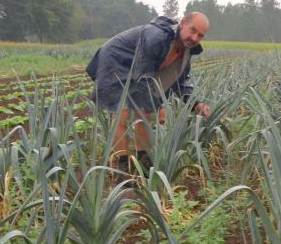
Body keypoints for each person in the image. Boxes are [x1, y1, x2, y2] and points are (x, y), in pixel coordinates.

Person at [86, 12, 212, 173]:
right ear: (182, 23)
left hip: (139, 69)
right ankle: (122, 166)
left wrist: (196, 103)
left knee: (144, 112)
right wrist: (159, 106)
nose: (194, 38)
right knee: (121, 113)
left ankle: (144, 165)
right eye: (192, 30)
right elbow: (142, 77)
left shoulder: (187, 49)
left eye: (200, 35)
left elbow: (180, 80)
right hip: (116, 60)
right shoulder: (157, 37)